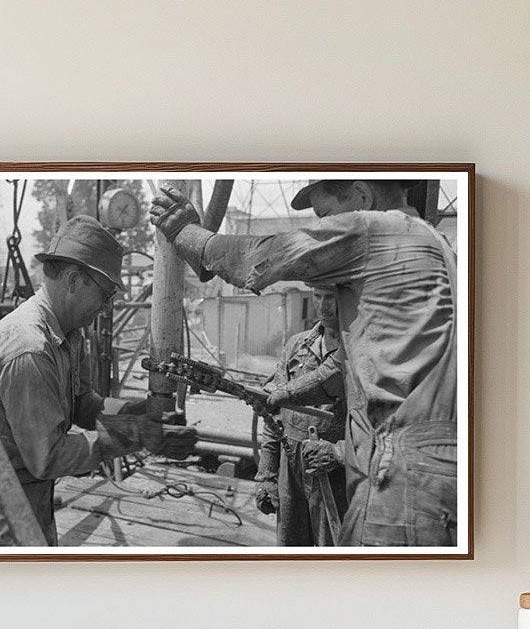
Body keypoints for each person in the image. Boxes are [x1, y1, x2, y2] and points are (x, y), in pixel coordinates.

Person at [150, 179, 458, 547]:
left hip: (399, 473)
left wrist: (185, 232)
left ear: (362, 195)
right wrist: (287, 393)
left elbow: (257, 258)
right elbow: (343, 369)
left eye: (326, 215)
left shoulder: (375, 228)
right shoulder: (437, 246)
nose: (323, 228)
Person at [0, 215, 195, 545]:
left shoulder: (68, 333)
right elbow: (47, 457)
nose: (108, 306)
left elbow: (82, 404)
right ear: (75, 280)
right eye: (106, 294)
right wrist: (138, 434)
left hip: (27, 490)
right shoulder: (29, 350)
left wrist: (140, 411)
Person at [255, 287, 347, 545]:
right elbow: (274, 418)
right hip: (290, 471)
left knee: (334, 554)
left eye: (331, 297)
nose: (323, 305)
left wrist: (338, 452)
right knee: (290, 551)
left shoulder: (359, 352)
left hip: (334, 473)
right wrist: (266, 477)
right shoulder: (297, 346)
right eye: (318, 296)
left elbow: (377, 428)